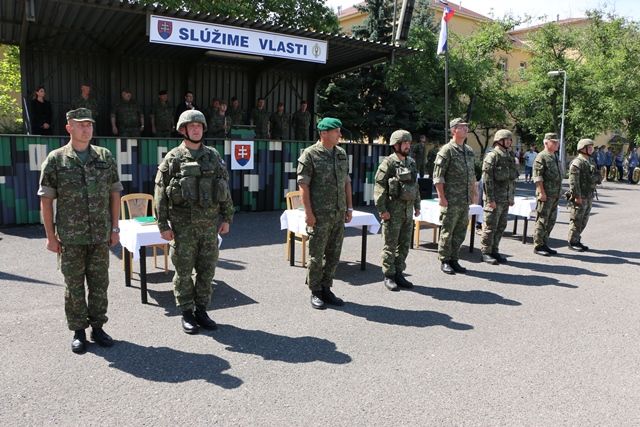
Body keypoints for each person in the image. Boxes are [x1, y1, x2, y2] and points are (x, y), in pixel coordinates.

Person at [38, 108, 122, 354]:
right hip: (71, 237)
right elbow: (46, 200)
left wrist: (115, 228)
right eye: (81, 124)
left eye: (89, 125)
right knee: (74, 286)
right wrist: (50, 236)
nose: (86, 129)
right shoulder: (56, 159)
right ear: (69, 128)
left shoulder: (105, 156)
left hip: (100, 235)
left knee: (99, 284)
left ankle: (98, 327)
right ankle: (78, 331)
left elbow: (114, 193)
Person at [154, 110, 233, 334]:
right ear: (184, 130)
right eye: (192, 126)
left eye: (199, 126)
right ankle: (187, 312)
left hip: (209, 227)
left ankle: (202, 310)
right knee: (184, 273)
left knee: (207, 271)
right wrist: (163, 225)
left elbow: (224, 188)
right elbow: (160, 193)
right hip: (183, 228)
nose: (196, 129)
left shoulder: (213, 156)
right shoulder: (174, 158)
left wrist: (227, 217)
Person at [297, 117, 353, 309]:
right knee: (316, 255)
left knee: (333, 254)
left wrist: (349, 207)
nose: (339, 134)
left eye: (339, 131)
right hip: (319, 215)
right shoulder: (310, 154)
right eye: (336, 131)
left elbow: (346, 182)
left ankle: (326, 288)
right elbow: (303, 185)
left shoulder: (341, 154)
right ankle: (315, 291)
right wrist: (308, 213)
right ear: (324, 133)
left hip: (338, 213)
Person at [374, 130, 421, 291]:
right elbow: (379, 188)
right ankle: (389, 275)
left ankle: (399, 273)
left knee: (404, 245)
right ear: (396, 145)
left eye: (409, 143)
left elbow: (415, 186)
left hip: (408, 212)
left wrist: (417, 206)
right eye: (404, 143)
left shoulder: (411, 163)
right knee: (390, 245)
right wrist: (382, 210)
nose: (408, 146)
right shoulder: (388, 163)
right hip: (392, 212)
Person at [433, 118, 477, 274]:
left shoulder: (469, 151)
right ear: (453, 130)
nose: (466, 129)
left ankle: (454, 258)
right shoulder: (447, 150)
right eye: (462, 127)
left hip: (464, 199)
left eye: (466, 127)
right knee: (448, 231)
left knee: (460, 231)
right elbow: (438, 177)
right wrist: (441, 197)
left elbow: (472, 175)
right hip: (451, 199)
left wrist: (474, 193)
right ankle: (445, 260)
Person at [480, 129, 518, 265]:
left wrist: (511, 196)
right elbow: (487, 180)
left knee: (501, 226)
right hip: (494, 199)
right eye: (506, 139)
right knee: (490, 227)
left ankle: (494, 250)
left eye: (510, 140)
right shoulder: (492, 156)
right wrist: (490, 199)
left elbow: (512, 179)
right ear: (499, 141)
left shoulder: (509, 156)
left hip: (505, 198)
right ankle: (486, 252)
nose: (509, 142)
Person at [567, 138, 601, 251]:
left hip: (589, 195)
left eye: (591, 147)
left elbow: (598, 176)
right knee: (576, 220)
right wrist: (577, 196)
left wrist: (597, 177)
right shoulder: (577, 162)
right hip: (580, 196)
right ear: (582, 148)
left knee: (584, 220)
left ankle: (577, 239)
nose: (591, 149)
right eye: (589, 147)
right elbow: (573, 182)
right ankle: (572, 241)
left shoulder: (590, 161)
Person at [532, 133, 562, 256]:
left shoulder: (554, 156)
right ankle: (538, 245)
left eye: (557, 142)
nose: (557, 144)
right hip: (546, 195)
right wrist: (541, 192)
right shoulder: (541, 157)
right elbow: (538, 177)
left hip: (554, 195)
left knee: (551, 221)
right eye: (554, 142)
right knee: (542, 220)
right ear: (546, 142)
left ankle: (544, 243)